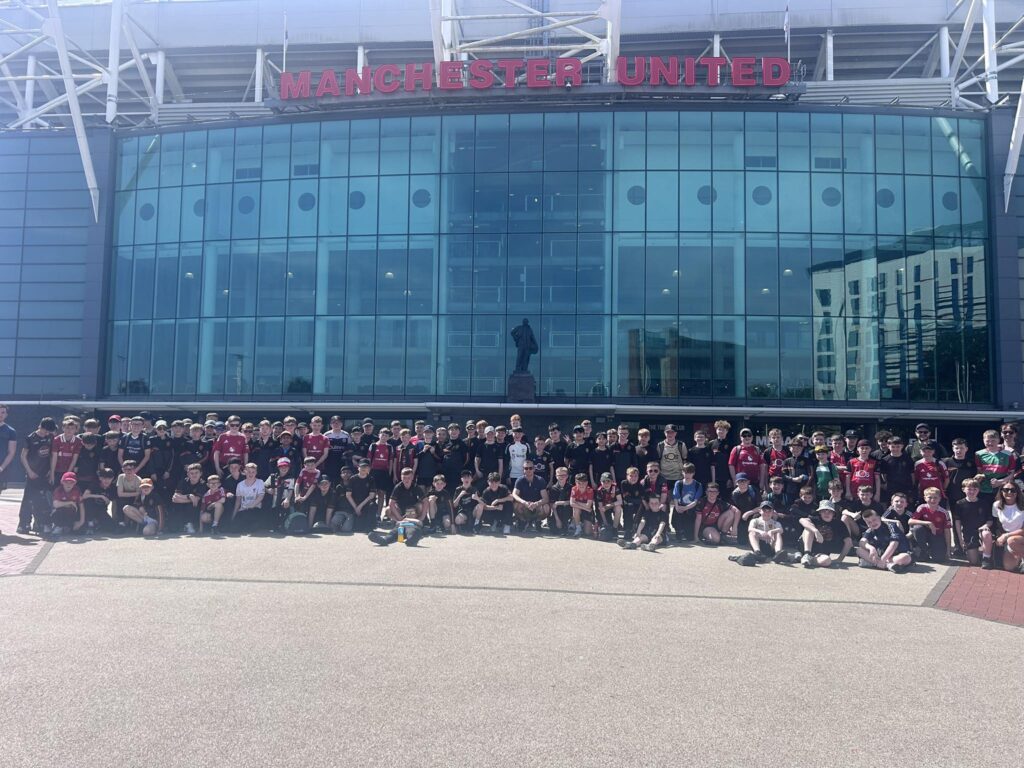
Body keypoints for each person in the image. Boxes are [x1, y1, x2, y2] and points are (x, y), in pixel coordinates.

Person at [18, 416, 56, 534]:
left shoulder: (50, 437)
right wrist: (29, 471)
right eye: (46, 430)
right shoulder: (30, 438)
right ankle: (24, 524)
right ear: (41, 426)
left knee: (42, 499)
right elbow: (23, 456)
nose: (47, 433)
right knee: (28, 499)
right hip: (33, 474)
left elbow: (52, 455)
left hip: (45, 474)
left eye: (49, 431)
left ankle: (40, 523)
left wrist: (51, 472)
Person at [980, 483, 1024, 572]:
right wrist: (999, 536)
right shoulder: (996, 505)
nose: (1009, 492)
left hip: (1019, 537)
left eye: (1013, 490)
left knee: (1012, 540)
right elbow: (997, 523)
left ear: (1017, 492)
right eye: (1006, 490)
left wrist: (1006, 536)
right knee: (1008, 567)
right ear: (1001, 492)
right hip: (1008, 537)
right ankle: (1020, 557)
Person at [857, 508, 914, 573]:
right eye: (869, 522)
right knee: (859, 550)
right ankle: (888, 565)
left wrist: (883, 559)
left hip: (897, 554)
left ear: (879, 518)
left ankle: (873, 563)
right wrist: (871, 548)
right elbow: (862, 542)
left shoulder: (891, 526)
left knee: (905, 558)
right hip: (884, 557)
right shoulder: (870, 530)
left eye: (874, 520)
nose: (872, 523)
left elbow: (894, 544)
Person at [799, 500, 853, 568]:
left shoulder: (839, 524)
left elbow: (848, 542)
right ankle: (806, 554)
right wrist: (815, 531)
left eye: (829, 511)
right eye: (824, 511)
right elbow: (802, 520)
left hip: (820, 553)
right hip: (806, 548)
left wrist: (840, 559)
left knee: (827, 561)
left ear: (833, 513)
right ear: (820, 512)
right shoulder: (815, 519)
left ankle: (805, 559)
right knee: (808, 528)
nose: (826, 513)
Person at [953, 478, 987, 567]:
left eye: (975, 489)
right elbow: (957, 522)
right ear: (963, 489)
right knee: (973, 562)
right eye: (969, 489)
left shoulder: (983, 503)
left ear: (978, 490)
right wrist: (960, 539)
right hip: (969, 533)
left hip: (983, 533)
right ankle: (976, 552)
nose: (972, 491)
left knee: (986, 535)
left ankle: (986, 555)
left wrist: (984, 528)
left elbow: (990, 520)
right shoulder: (959, 504)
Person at [512, 460, 549, 532]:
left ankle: (537, 522)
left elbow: (545, 498)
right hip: (524, 506)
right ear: (523, 470)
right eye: (526, 468)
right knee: (515, 505)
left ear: (534, 469)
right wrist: (524, 502)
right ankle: (523, 521)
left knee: (546, 507)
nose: (528, 470)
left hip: (537, 506)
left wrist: (536, 504)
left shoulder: (540, 480)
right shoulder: (519, 480)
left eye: (530, 468)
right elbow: (514, 494)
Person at [671, 463, 703, 542]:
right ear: (682, 472)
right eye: (685, 472)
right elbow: (675, 497)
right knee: (675, 521)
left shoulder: (698, 485)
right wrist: (677, 507)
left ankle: (686, 532)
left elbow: (695, 501)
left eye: (690, 473)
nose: (687, 475)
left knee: (689, 536)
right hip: (679, 506)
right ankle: (678, 531)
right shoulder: (679, 483)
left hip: (690, 508)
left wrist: (686, 508)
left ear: (693, 473)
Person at [345, 459, 378, 532]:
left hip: (365, 505)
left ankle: (369, 527)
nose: (364, 468)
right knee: (357, 528)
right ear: (358, 467)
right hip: (354, 504)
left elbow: (371, 496)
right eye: (362, 466)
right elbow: (348, 495)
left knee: (373, 505)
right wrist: (356, 507)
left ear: (369, 468)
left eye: (366, 467)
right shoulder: (352, 479)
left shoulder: (371, 479)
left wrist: (360, 507)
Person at [233, 462, 266, 532]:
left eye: (253, 472)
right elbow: (238, 500)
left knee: (251, 528)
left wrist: (250, 507)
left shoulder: (260, 482)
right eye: (249, 472)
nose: (251, 474)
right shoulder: (240, 485)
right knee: (234, 528)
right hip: (243, 510)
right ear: (245, 472)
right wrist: (234, 514)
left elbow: (260, 497)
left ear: (256, 472)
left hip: (255, 510)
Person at [49, 471, 85, 536]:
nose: (68, 484)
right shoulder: (58, 490)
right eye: (66, 482)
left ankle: (68, 526)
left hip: (72, 513)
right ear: (62, 482)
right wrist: (70, 502)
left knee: (78, 530)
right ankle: (58, 526)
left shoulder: (77, 490)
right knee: (57, 513)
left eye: (71, 482)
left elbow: (81, 505)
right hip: (60, 513)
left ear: (75, 483)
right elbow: (55, 504)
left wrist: (81, 522)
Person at [568, 472, 596, 538]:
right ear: (576, 482)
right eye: (579, 483)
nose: (581, 485)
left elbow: (588, 505)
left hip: (587, 512)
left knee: (588, 532)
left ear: (587, 482)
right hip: (583, 510)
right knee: (576, 509)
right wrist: (585, 508)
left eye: (583, 483)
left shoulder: (590, 490)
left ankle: (580, 523)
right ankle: (578, 527)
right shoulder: (574, 489)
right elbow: (571, 503)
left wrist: (576, 502)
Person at [0, 404, 16, 498]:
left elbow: (11, 452)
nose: (0, 414)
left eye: (3, 412)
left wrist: (1, 468)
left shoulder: (11, 431)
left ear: (6, 415)